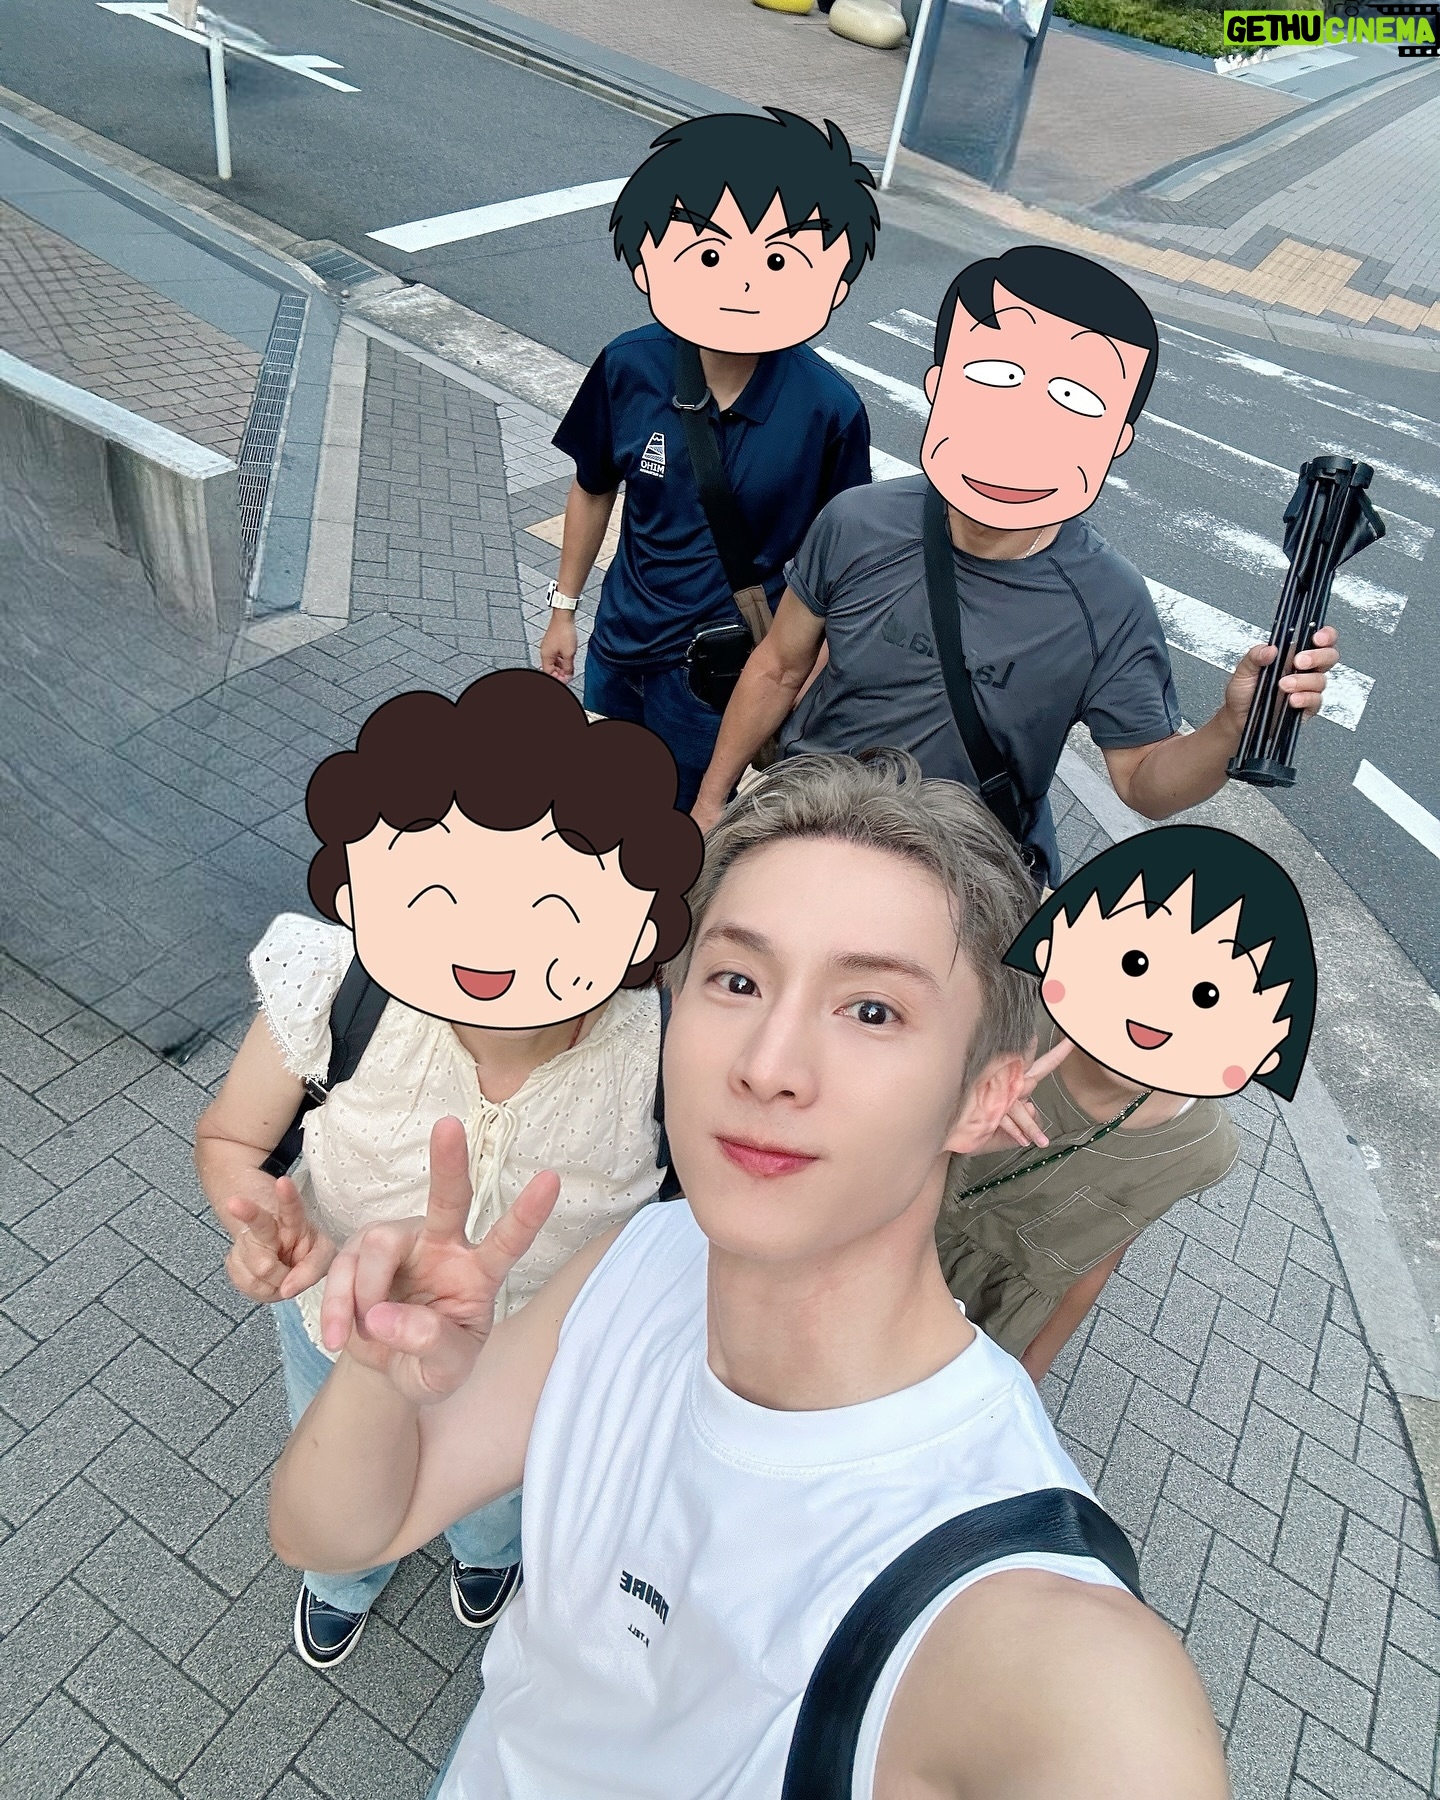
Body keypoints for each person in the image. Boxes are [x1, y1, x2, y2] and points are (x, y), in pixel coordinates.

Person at [268, 753, 1229, 1799]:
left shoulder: (1026, 1618)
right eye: (738, 981)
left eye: (872, 1010)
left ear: (982, 1099)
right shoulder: (640, 1258)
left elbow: (1103, 1733)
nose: (767, 1065)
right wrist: (380, 1372)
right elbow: (333, 1531)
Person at [194, 669, 702, 1669]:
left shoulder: (671, 1048)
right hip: (343, 1326)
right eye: (440, 896)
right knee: (338, 1461)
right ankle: (345, 1578)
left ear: (636, 924)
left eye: (552, 905)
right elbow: (230, 1141)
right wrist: (260, 1217)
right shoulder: (341, 985)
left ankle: (486, 1552)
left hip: (533, 1365)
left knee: (502, 1490)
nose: (492, 943)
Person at [690, 244, 1341, 886]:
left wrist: (1230, 726)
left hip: (961, 883)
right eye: (996, 375)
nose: (1024, 422)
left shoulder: (1108, 602)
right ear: (939, 386)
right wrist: (711, 801)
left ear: (1116, 438)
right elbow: (778, 666)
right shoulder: (858, 521)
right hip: (801, 830)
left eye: (1076, 398)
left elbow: (1143, 782)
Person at [541, 107, 879, 809]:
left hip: (721, 674)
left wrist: (801, 681)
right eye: (711, 254)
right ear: (651, 260)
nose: (742, 283)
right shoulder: (630, 365)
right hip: (618, 641)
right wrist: (565, 609)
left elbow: (844, 569)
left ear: (833, 281)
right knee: (602, 806)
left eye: (778, 260)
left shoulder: (829, 411)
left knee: (686, 822)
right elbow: (593, 486)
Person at [939, 821, 1317, 1376]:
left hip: (991, 1314)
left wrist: (1032, 1370)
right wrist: (950, 1118)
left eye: (1205, 995)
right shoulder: (1015, 1016)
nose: (1155, 1010)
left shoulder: (1199, 1147)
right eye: (1135, 964)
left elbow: (1101, 1254)